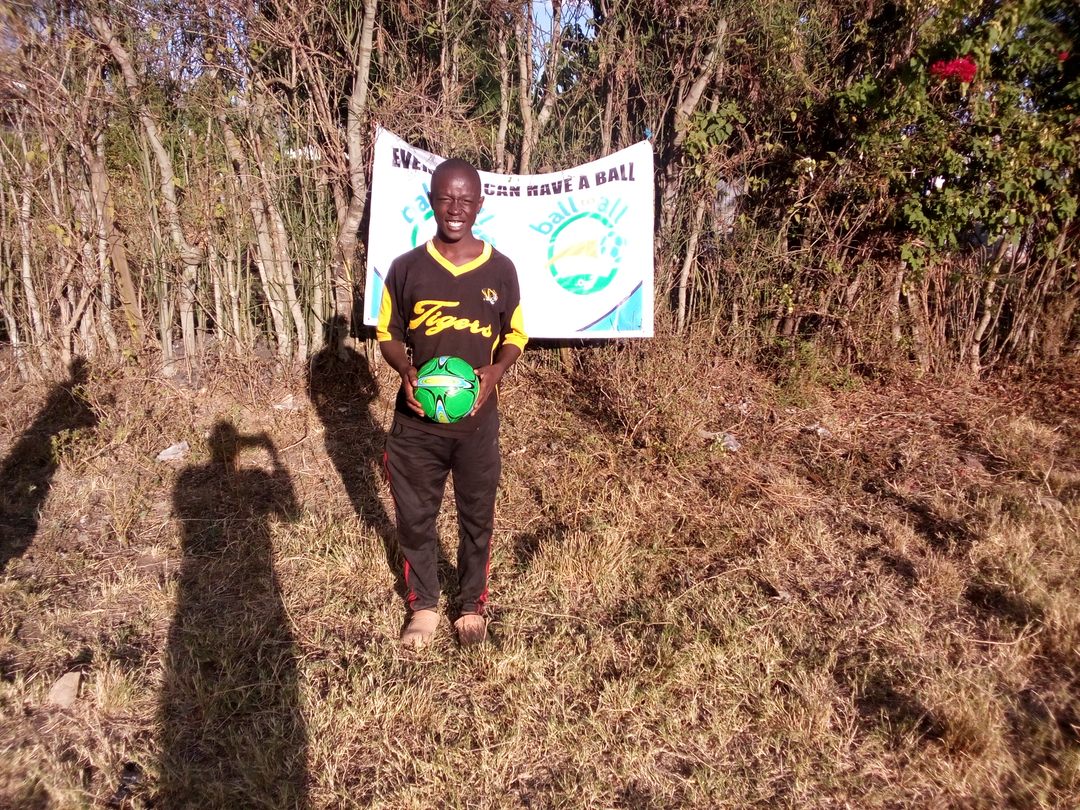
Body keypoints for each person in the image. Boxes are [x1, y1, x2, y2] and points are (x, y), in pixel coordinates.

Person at [376, 158, 528, 648]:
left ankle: (470, 606)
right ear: (431, 202)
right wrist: (405, 370)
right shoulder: (406, 268)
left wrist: (496, 371)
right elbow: (387, 334)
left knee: (476, 517)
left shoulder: (501, 269)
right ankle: (423, 606)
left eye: (465, 200)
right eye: (446, 198)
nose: (455, 208)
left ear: (480, 204)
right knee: (414, 517)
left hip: (476, 426)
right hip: (417, 424)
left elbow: (516, 334)